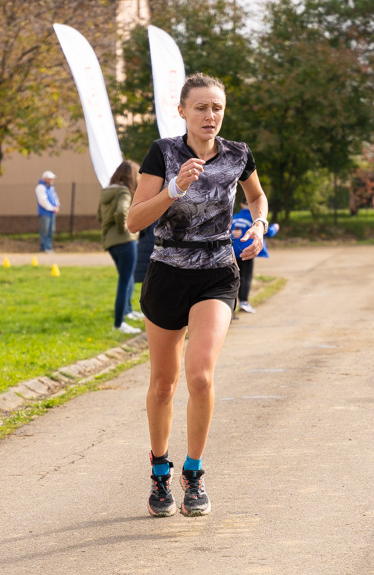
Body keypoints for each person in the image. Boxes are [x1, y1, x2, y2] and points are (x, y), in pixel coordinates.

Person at [127, 72, 269, 518]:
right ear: (183, 111)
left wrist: (259, 225)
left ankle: (194, 472)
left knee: (201, 375)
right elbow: (134, 221)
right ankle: (159, 472)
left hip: (216, 272)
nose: (211, 116)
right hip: (167, 271)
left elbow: (257, 196)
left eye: (218, 108)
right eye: (202, 107)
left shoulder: (238, 154)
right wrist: (174, 189)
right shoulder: (163, 153)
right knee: (163, 384)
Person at [97, 160, 143, 335]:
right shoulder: (124, 191)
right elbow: (121, 211)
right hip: (125, 241)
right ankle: (119, 323)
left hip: (110, 242)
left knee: (127, 277)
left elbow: (99, 216)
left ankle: (128, 311)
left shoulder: (106, 191)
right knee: (124, 281)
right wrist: (125, 226)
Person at [232, 198, 279, 313]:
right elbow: (268, 232)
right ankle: (244, 302)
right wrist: (276, 227)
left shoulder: (233, 217)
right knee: (246, 276)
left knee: (234, 277)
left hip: (232, 251)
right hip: (248, 250)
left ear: (241, 204)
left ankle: (231, 305)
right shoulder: (254, 219)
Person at [36, 170, 60, 253]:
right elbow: (42, 201)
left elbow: (55, 198)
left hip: (52, 213)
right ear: (45, 179)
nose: (52, 180)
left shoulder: (51, 188)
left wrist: (57, 206)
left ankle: (49, 247)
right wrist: (52, 208)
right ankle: (44, 248)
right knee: (45, 230)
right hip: (45, 213)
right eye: (50, 179)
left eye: (52, 179)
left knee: (51, 231)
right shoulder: (40, 188)